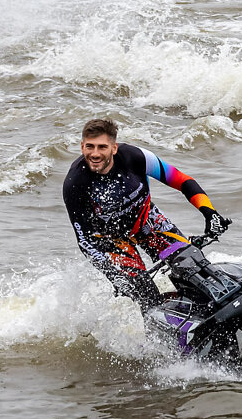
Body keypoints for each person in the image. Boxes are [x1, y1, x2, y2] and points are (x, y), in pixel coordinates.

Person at [62, 118, 231, 311]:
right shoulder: (75, 184)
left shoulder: (136, 157)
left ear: (114, 148)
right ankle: (160, 335)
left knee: (191, 264)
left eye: (102, 147)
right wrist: (112, 274)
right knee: (146, 293)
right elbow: (85, 240)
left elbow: (182, 181)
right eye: (89, 147)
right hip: (110, 241)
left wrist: (210, 214)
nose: (95, 154)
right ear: (82, 146)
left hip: (146, 222)